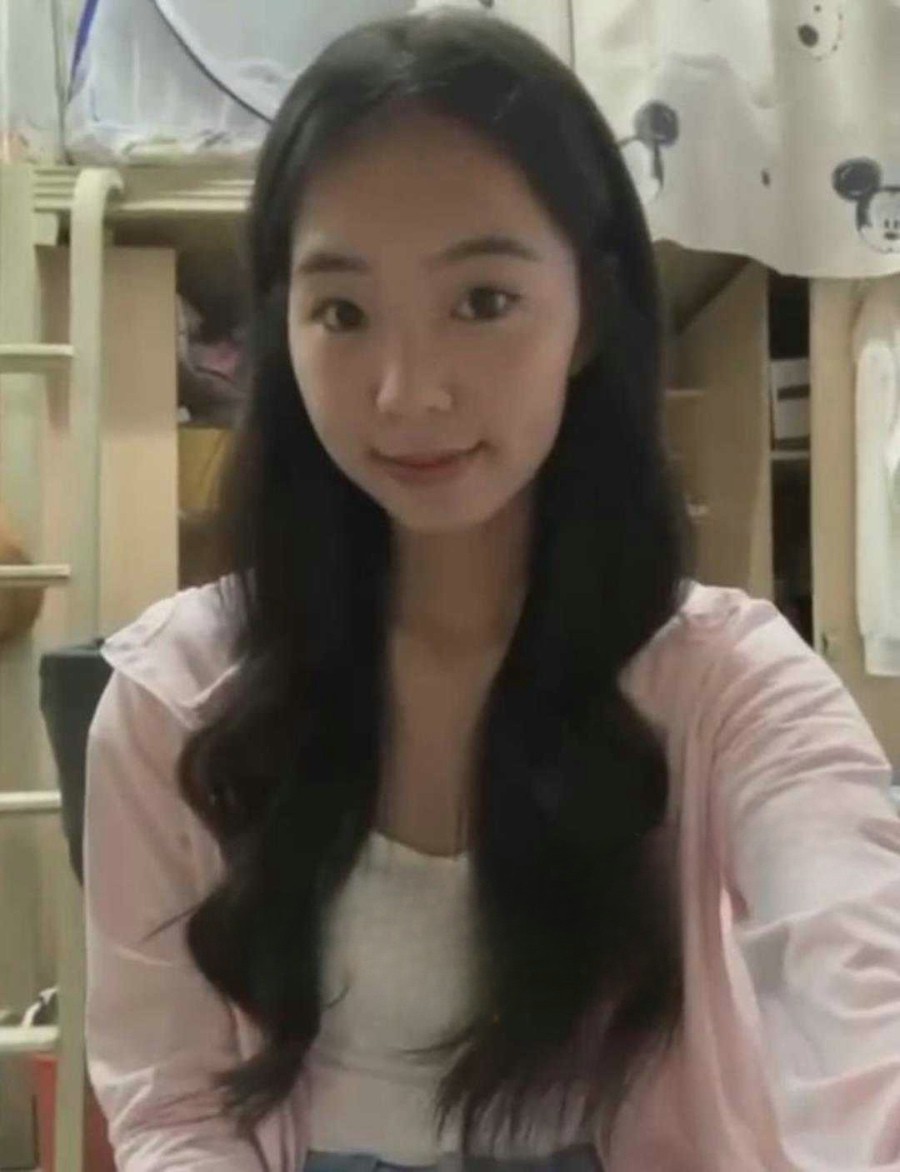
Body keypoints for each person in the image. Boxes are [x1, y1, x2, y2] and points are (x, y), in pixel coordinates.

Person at [83, 8, 900, 1172]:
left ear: (588, 314)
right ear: (283, 329)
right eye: (342, 312)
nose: (408, 391)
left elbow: (864, 994)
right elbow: (172, 1104)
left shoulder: (730, 686)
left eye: (483, 301)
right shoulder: (173, 698)